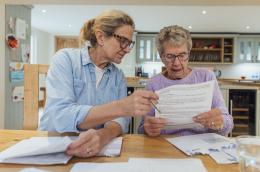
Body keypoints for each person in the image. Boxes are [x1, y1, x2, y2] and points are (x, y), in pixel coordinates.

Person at [39, 10, 158, 158]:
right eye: (123, 41)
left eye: (129, 43)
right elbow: (61, 117)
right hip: (55, 148)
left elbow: (120, 121)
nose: (127, 49)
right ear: (101, 37)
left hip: (96, 152)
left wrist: (103, 136)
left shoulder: (117, 76)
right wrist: (122, 107)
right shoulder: (65, 60)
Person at [138, 25, 234, 137]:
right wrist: (147, 129)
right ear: (161, 57)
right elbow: (141, 129)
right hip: (165, 145)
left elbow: (228, 123)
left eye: (182, 55)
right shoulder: (153, 83)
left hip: (202, 145)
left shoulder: (206, 77)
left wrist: (220, 122)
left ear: (189, 54)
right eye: (170, 56)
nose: (176, 63)